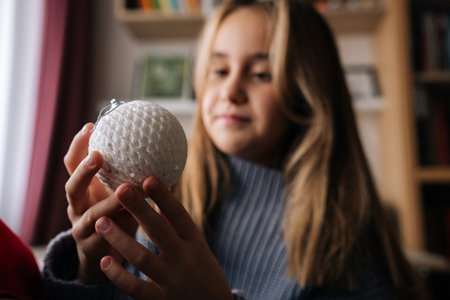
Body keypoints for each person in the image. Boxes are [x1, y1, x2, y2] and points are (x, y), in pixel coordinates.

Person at [41, 0, 423, 299]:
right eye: (219, 70)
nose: (231, 91)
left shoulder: (342, 234)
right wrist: (90, 268)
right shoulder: (161, 199)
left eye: (260, 74)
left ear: (311, 92)